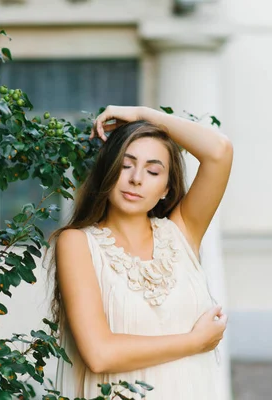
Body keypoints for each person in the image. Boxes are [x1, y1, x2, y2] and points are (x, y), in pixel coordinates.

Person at [47, 105, 233, 399]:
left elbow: (219, 151)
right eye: (125, 164)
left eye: (153, 170)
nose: (136, 178)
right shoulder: (77, 243)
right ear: (108, 171)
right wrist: (194, 341)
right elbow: (100, 354)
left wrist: (145, 115)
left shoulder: (182, 232)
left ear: (166, 189)